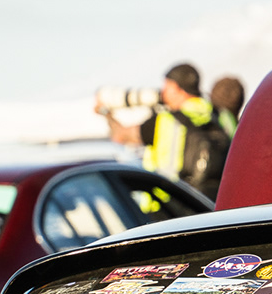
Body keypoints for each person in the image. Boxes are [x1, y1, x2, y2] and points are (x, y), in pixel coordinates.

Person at [99, 63, 230, 200]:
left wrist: (105, 112)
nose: (163, 92)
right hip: (203, 201)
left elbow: (120, 136)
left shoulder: (166, 121)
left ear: (175, 88)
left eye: (166, 86)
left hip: (166, 203)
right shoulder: (215, 115)